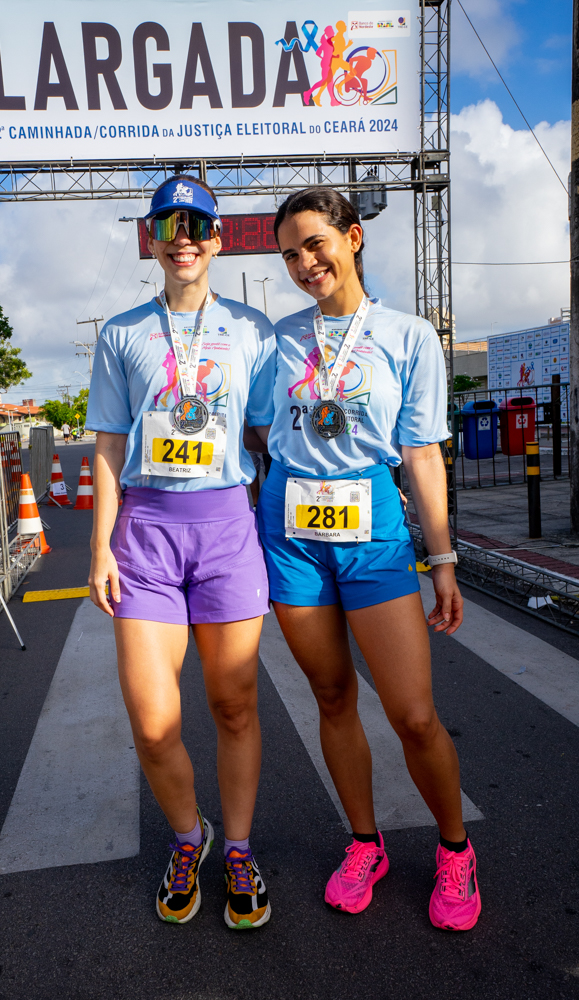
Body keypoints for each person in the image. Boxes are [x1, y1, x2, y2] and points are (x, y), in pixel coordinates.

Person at [254, 187, 481, 932]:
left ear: (352, 237)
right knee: (331, 699)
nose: (302, 262)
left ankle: (454, 850)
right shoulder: (276, 340)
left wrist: (440, 559)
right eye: (289, 252)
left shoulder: (408, 335)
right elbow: (254, 431)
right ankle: (364, 843)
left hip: (372, 525)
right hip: (291, 533)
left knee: (413, 714)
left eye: (314, 243)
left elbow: (420, 453)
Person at [86, 175, 275, 929]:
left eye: (199, 223)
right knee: (151, 719)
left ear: (219, 238)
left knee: (233, 704)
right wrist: (100, 545)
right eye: (170, 223)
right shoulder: (122, 332)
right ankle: (186, 837)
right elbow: (105, 442)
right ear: (152, 238)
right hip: (148, 536)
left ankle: (236, 846)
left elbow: (266, 434)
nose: (184, 236)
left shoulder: (254, 330)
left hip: (228, 527)